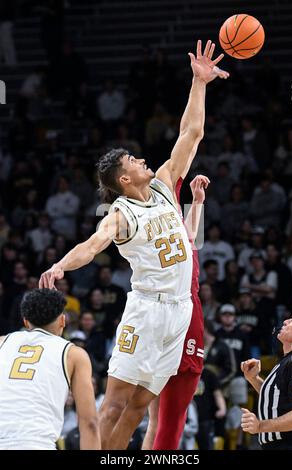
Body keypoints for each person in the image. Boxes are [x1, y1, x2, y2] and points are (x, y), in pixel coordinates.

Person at [39, 39, 229, 450]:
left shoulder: (163, 185)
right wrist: (60, 266)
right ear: (124, 180)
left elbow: (191, 133)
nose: (143, 161)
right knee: (115, 403)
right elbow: (91, 246)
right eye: (133, 162)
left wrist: (200, 83)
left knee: (141, 406)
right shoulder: (121, 214)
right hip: (146, 311)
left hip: (179, 312)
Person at [142, 174, 207, 450]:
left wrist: (197, 201)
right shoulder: (156, 217)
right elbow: (190, 137)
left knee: (155, 420)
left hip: (155, 315)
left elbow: (189, 239)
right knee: (171, 420)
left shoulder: (165, 223)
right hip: (181, 311)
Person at [0, 288, 100, 450]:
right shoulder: (73, 354)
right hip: (36, 444)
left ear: (25, 321)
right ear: (63, 321)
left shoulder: (2, 342)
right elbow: (89, 423)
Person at [241, 311, 292, 449]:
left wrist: (260, 426)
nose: (285, 321)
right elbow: (278, 397)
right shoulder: (289, 360)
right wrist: (254, 379)